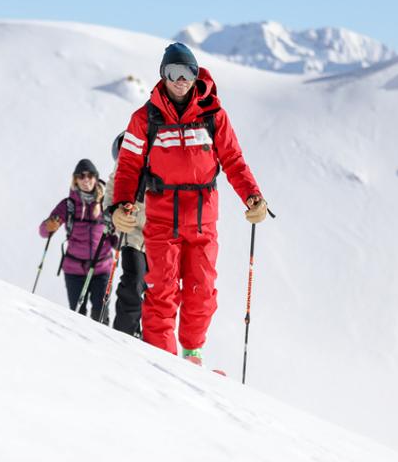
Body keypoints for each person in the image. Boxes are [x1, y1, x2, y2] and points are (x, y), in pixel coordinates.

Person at [109, 42, 267, 366]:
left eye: (187, 72)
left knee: (201, 292)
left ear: (196, 74)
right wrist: (120, 205)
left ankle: (192, 356)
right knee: (160, 292)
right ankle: (162, 364)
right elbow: (128, 166)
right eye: (173, 72)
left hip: (202, 220)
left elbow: (234, 160)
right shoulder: (145, 118)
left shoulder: (214, 116)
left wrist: (253, 197)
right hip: (161, 217)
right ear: (163, 76)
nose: (180, 79)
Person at [39, 159, 114, 322]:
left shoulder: (106, 203)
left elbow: (116, 236)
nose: (86, 180)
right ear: (75, 180)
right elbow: (44, 232)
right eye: (81, 176)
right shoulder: (68, 205)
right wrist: (49, 225)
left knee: (100, 316)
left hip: (101, 269)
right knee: (77, 317)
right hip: (74, 270)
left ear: (96, 177)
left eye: (90, 176)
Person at [104, 132, 148, 337]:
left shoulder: (155, 163)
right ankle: (125, 334)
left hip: (160, 236)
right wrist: (112, 212)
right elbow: (112, 190)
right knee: (134, 280)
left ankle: (150, 336)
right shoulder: (122, 169)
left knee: (156, 290)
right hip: (133, 235)